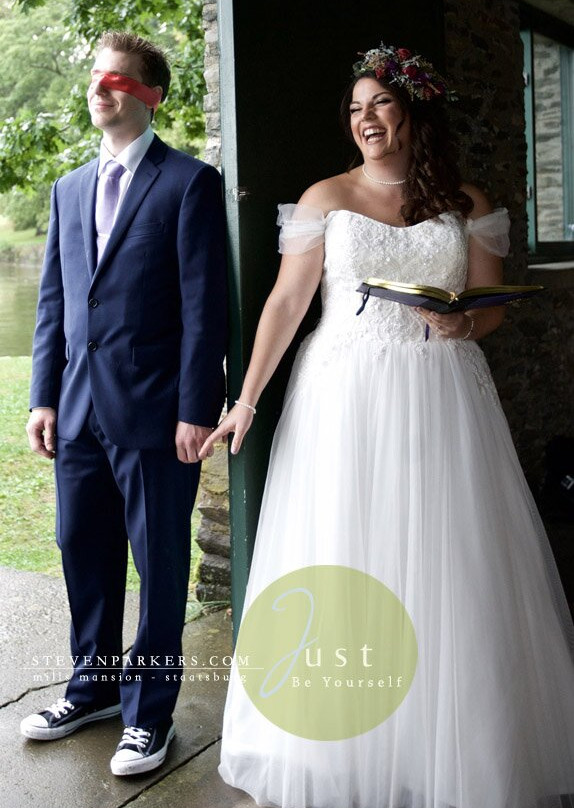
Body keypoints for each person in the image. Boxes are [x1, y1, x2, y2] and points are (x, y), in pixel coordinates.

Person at [199, 43, 574, 808]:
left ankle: (449, 744)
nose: (365, 118)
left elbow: (490, 304)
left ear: (414, 112)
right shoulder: (325, 196)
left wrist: (469, 324)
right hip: (345, 393)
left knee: (451, 558)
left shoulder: (466, 202)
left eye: (380, 103)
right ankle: (338, 742)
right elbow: (286, 303)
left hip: (442, 392)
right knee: (349, 545)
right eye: (355, 108)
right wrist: (246, 399)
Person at [21, 31, 227, 777]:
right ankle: (94, 689)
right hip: (77, 411)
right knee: (83, 550)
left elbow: (205, 308)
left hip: (156, 415)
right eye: (95, 78)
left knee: (159, 565)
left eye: (116, 79)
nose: (99, 89)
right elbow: (54, 301)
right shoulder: (69, 188)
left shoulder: (189, 183)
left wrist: (196, 408)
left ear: (150, 96)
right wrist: (44, 396)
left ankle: (150, 715)